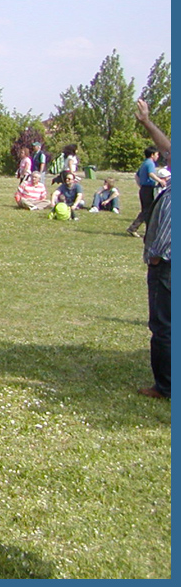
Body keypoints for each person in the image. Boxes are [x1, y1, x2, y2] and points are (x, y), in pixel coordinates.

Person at [134, 99, 170, 400]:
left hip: (167, 265)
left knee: (164, 327)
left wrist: (158, 256)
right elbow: (167, 147)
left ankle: (167, 387)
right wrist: (146, 123)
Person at [126, 145, 167, 237]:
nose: (158, 156)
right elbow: (151, 173)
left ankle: (150, 231)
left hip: (144, 188)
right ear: (152, 155)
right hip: (148, 189)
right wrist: (160, 180)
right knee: (147, 210)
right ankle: (133, 228)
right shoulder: (150, 163)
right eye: (157, 154)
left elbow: (137, 176)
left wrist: (140, 185)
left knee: (149, 211)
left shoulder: (144, 163)